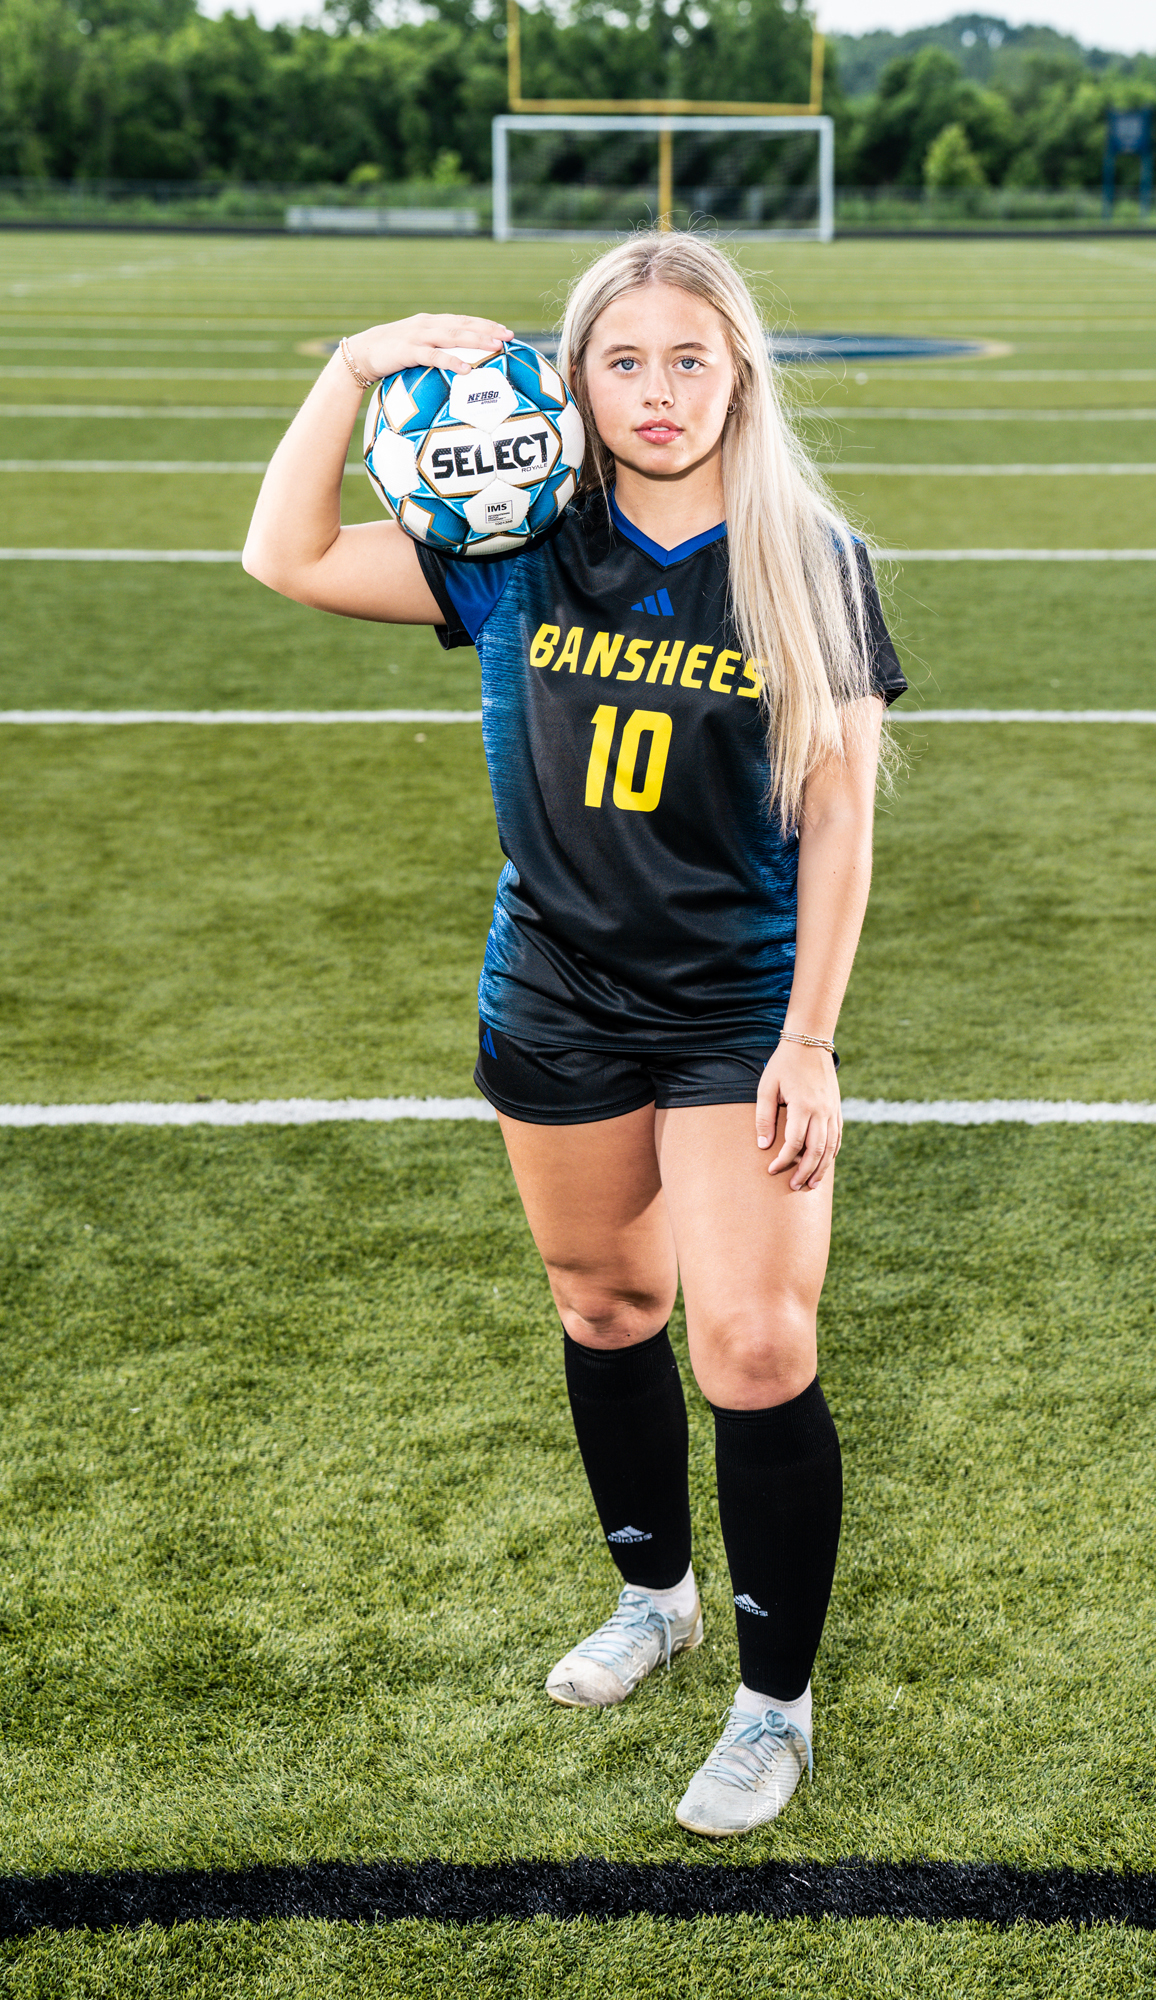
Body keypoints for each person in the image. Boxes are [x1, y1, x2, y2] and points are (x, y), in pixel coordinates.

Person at [243, 232, 905, 1837]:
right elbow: (287, 554)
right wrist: (353, 367)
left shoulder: (805, 557)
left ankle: (772, 1705)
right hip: (554, 992)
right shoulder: (517, 541)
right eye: (622, 360)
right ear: (572, 382)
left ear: (739, 374)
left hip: (736, 1007)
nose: (657, 389)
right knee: (606, 1307)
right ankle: (654, 1598)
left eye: (689, 357)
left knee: (755, 1345)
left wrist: (809, 1038)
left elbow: (838, 818)